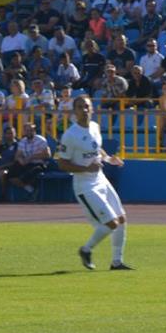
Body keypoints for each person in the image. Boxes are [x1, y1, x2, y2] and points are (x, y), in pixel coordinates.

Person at [57, 94, 130, 270]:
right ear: (74, 111)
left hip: (100, 179)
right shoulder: (70, 135)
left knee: (121, 218)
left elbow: (97, 149)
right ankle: (86, 249)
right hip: (85, 185)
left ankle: (116, 262)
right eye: (80, 107)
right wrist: (85, 169)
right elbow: (62, 163)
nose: (84, 110)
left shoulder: (95, 127)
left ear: (92, 109)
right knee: (111, 223)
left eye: (87, 106)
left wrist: (109, 159)